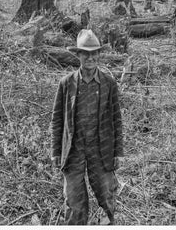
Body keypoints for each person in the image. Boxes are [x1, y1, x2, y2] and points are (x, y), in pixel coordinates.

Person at [50, 29, 124, 225]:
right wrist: (56, 152)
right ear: (78, 55)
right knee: (74, 203)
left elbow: (117, 119)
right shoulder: (66, 84)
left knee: (107, 197)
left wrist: (118, 152)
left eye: (94, 53)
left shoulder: (108, 83)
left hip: (101, 150)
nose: (90, 57)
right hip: (73, 150)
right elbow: (57, 120)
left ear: (99, 54)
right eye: (85, 53)